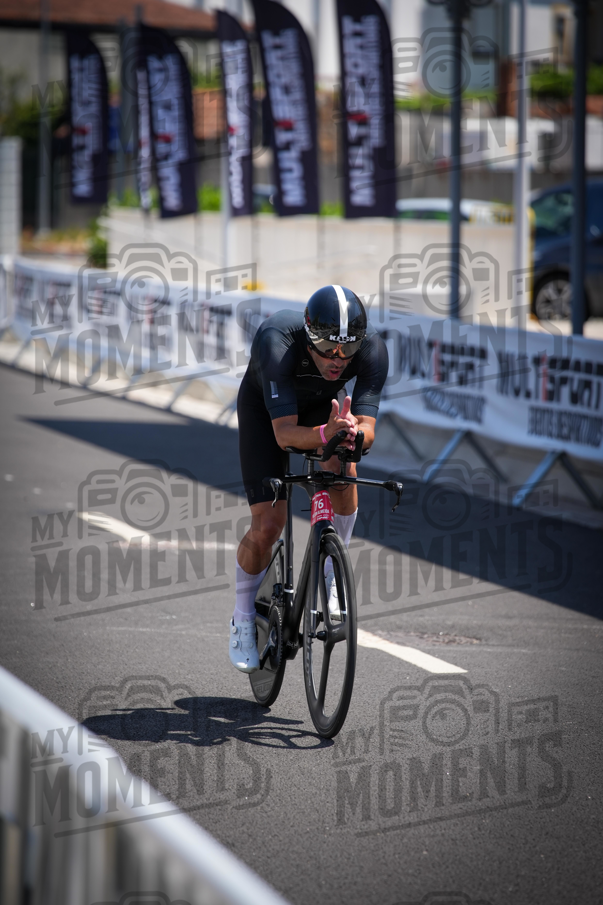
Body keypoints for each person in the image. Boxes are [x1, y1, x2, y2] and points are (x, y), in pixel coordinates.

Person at [230, 284, 388, 672]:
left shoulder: (372, 351)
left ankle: (333, 574)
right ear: (309, 336)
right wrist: (325, 434)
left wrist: (350, 433)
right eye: (328, 348)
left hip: (325, 412)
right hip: (268, 415)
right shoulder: (277, 342)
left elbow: (368, 429)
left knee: (345, 473)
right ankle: (243, 618)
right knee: (269, 524)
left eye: (347, 349)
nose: (338, 359)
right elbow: (284, 435)